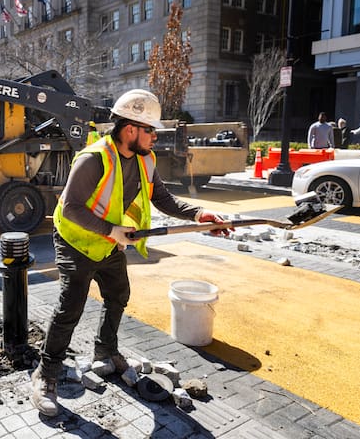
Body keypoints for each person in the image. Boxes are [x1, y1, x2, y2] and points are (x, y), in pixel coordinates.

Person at [30, 89, 230, 417]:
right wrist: (111, 230)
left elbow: (163, 198)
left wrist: (199, 215)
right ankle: (46, 375)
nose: (155, 136)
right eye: (150, 130)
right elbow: (71, 208)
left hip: (108, 242)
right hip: (76, 241)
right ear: (130, 129)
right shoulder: (94, 159)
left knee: (118, 294)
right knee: (71, 306)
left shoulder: (145, 160)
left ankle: (105, 351)